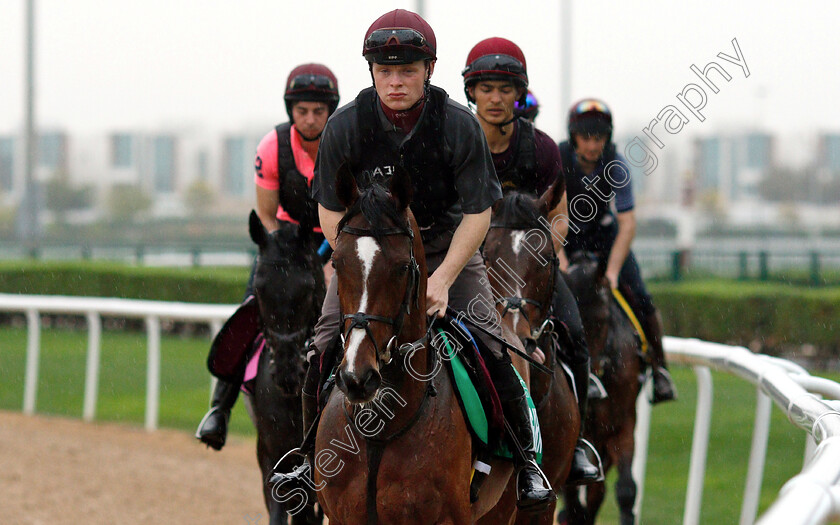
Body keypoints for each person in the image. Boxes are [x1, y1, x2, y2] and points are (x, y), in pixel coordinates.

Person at [273, 9, 555, 511]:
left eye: (407, 70)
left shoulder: (457, 126)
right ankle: (302, 458)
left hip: (450, 251)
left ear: (429, 70)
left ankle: (525, 459)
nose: (396, 81)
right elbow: (330, 211)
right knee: (321, 346)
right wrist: (360, 264)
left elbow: (479, 214)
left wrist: (443, 279)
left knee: (496, 345)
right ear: (372, 74)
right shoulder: (345, 127)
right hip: (373, 253)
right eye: (386, 71)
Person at [462, 37, 603, 485]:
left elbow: (560, 217)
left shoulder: (542, 149)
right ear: (472, 93)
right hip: (466, 265)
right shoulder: (455, 141)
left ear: (519, 92)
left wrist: (541, 254)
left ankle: (576, 443)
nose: (496, 98)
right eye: (487, 88)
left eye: (506, 89)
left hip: (527, 265)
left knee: (576, 334)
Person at [195, 63, 340, 450]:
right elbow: (265, 213)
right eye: (302, 111)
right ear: (290, 110)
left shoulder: (345, 144)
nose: (310, 120)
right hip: (285, 245)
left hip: (336, 242)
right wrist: (284, 262)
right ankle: (219, 409)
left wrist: (327, 259)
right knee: (248, 311)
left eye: (318, 112)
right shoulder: (271, 147)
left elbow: (349, 209)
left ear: (331, 111)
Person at [557, 98, 676, 404]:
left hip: (604, 240)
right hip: (563, 237)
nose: (593, 145)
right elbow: (548, 219)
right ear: (574, 136)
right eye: (586, 137)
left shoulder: (617, 165)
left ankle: (660, 368)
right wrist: (561, 261)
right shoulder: (556, 160)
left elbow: (628, 223)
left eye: (599, 138)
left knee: (641, 296)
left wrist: (611, 272)